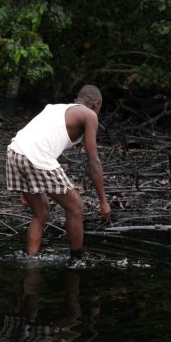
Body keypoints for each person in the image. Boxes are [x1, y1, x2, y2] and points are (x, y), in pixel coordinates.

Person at [6, 84, 111, 259]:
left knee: (40, 214)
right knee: (76, 207)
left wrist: (26, 184)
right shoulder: (89, 114)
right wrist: (103, 201)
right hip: (36, 156)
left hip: (14, 152)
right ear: (96, 104)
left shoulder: (55, 108)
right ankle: (76, 262)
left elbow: (40, 139)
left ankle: (31, 261)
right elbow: (93, 161)